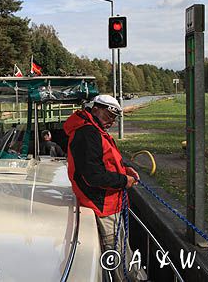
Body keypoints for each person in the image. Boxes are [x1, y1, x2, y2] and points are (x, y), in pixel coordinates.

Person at [63, 94, 147, 281]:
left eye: (114, 118)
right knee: (116, 252)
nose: (112, 121)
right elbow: (93, 175)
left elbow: (102, 163)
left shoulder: (93, 130)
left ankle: (134, 276)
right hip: (101, 204)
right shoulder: (87, 133)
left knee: (121, 247)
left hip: (109, 202)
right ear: (95, 110)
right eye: (109, 116)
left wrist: (123, 169)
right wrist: (124, 181)